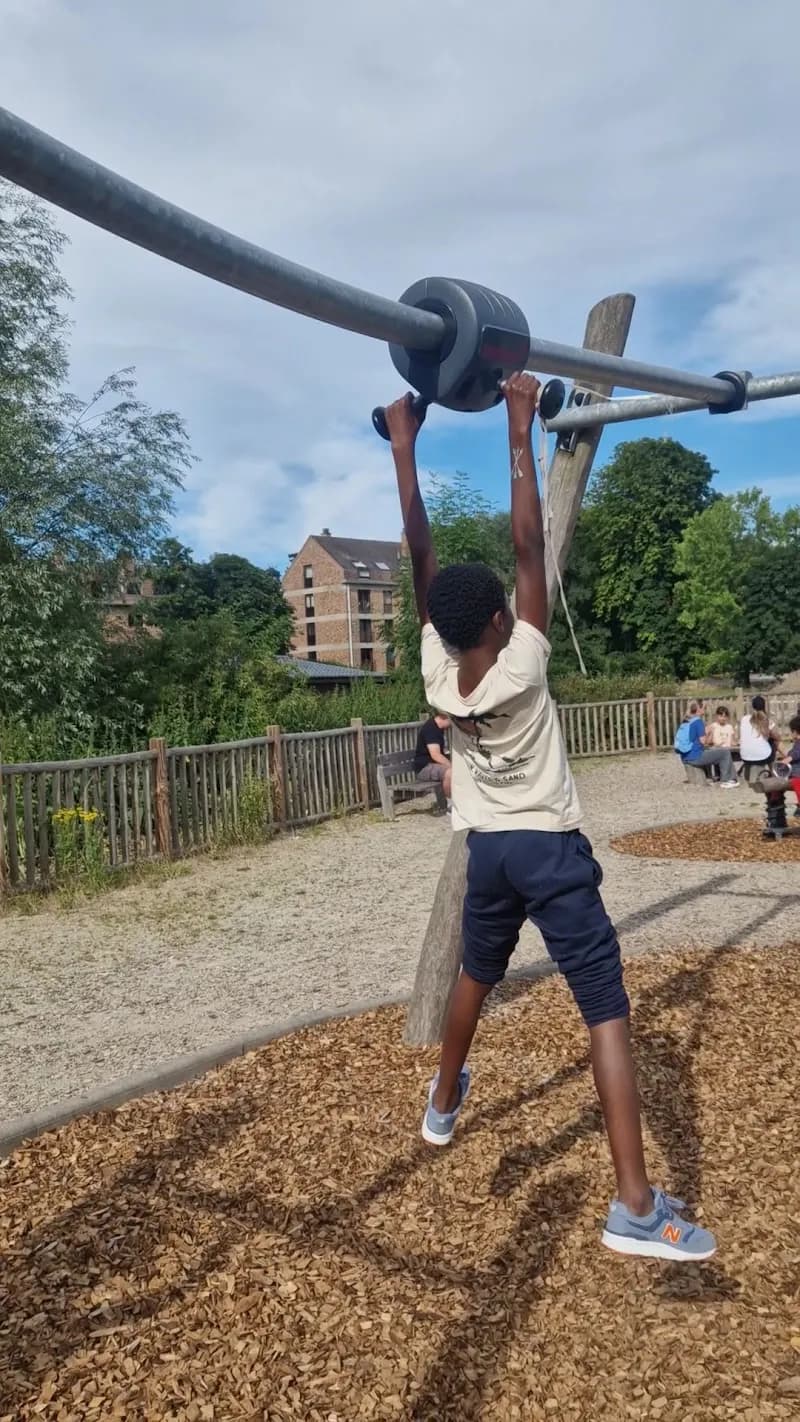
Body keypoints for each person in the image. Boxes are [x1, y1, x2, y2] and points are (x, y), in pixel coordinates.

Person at [384, 373, 716, 1262]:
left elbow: (423, 559)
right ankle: (635, 1207)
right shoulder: (522, 662)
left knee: (475, 976)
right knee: (605, 1007)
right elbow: (532, 545)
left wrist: (405, 447)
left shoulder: (436, 664)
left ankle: (444, 1102)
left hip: (488, 852)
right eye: (506, 602)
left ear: (452, 628)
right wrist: (521, 425)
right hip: (549, 850)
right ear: (500, 618)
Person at [677, 701, 739, 787]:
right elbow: (703, 741)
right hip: (695, 757)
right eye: (704, 708)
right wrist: (710, 732)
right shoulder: (698, 722)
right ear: (699, 709)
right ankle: (728, 779)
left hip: (685, 757)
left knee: (715, 753)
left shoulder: (686, 721)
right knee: (724, 753)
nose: (705, 710)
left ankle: (715, 776)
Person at [414, 712, 452, 801]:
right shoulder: (430, 729)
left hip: (434, 766)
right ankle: (451, 804)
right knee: (450, 773)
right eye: (452, 720)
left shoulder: (439, 728)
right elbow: (435, 755)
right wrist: (451, 765)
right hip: (424, 768)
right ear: (445, 717)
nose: (453, 724)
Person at [740, 695, 780, 775]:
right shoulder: (767, 720)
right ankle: (774, 770)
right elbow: (778, 737)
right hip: (762, 757)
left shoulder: (744, 719)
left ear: (752, 706)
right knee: (772, 741)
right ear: (764, 706)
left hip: (744, 756)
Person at [705, 705, 736, 781]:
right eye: (721, 716)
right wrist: (711, 733)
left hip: (727, 749)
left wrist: (737, 742)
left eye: (725, 716)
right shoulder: (713, 726)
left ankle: (726, 775)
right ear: (716, 716)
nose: (723, 718)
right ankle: (716, 775)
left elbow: (732, 741)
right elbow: (707, 742)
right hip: (717, 748)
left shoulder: (729, 727)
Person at [780, 713, 800, 818]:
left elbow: (797, 752)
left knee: (797, 782)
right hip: (795, 772)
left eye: (791, 732)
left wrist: (789, 758)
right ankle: (775, 803)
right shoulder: (797, 742)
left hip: (797, 773)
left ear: (795, 732)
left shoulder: (798, 743)